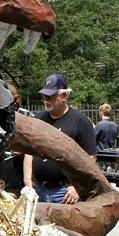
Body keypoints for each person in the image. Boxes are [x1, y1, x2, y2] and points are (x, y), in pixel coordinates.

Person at [23, 73, 96, 204]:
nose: (46, 99)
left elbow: (90, 159)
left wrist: (76, 187)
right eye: (44, 96)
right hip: (37, 189)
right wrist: (27, 180)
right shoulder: (38, 118)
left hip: (64, 192)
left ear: (64, 96)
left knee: (62, 226)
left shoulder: (80, 121)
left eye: (50, 96)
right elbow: (29, 151)